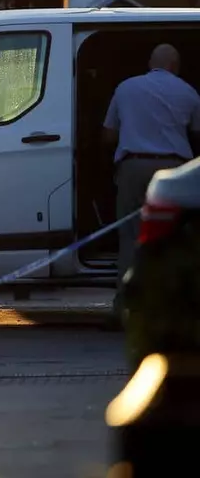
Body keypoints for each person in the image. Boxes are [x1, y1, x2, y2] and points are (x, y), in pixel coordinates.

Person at [103, 43, 200, 318]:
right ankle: (170, 308)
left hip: (133, 166)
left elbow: (108, 135)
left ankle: (125, 307)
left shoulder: (126, 88)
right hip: (173, 173)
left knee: (131, 236)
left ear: (150, 63)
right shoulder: (188, 92)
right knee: (172, 240)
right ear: (176, 66)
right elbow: (198, 133)